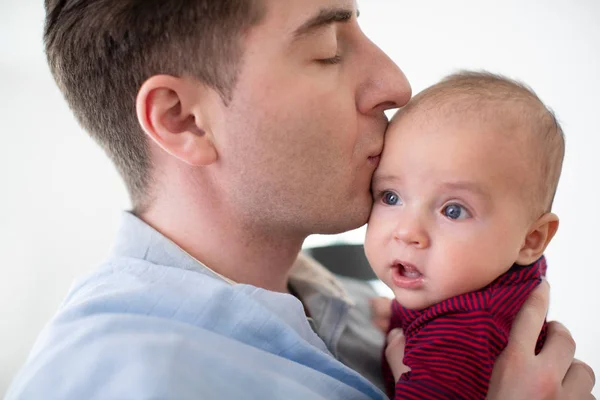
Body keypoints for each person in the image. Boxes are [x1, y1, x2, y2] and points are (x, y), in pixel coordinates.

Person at [6, 1, 594, 399]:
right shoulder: (117, 381)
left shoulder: (361, 311)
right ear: (184, 120)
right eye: (330, 49)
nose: (396, 84)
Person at [364, 71, 564, 399]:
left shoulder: (462, 336)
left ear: (531, 239)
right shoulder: (482, 287)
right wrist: (401, 317)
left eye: (453, 210)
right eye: (391, 197)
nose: (407, 231)